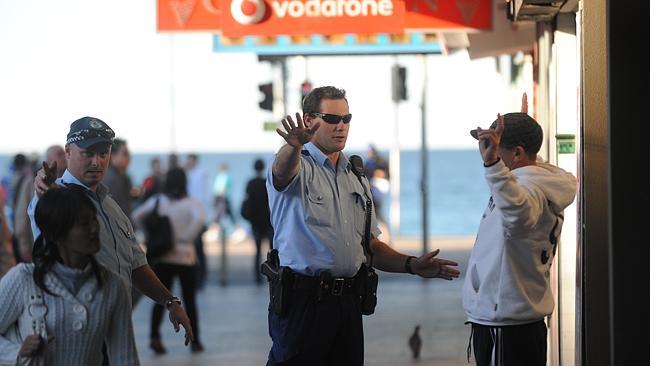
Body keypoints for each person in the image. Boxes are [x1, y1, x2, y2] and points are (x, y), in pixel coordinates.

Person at [265, 85, 460, 365]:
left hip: (348, 305)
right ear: (309, 121)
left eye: (346, 119)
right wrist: (293, 145)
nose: (341, 126)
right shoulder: (298, 166)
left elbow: (370, 247)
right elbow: (282, 172)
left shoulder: (355, 175)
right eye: (332, 119)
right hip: (303, 304)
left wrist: (411, 265)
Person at [28, 116, 194, 346]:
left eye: (103, 153)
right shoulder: (55, 198)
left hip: (115, 329)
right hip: (76, 335)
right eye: (87, 153)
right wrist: (43, 191)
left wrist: (170, 302)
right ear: (68, 151)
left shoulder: (109, 204)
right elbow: (43, 215)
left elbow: (135, 264)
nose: (97, 162)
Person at [464, 111, 577, 366]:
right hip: (509, 323)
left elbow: (519, 216)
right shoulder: (532, 182)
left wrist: (493, 167)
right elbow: (522, 182)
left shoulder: (528, 191)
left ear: (516, 153)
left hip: (508, 327)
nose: (487, 154)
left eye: (494, 148)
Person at [0, 186, 139, 365]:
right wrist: (17, 352)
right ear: (57, 235)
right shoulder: (24, 278)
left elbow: (125, 357)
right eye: (83, 224)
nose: (94, 229)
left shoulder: (112, 284)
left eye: (93, 220)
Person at [131, 168, 206, 354]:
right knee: (190, 300)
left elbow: (136, 216)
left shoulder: (158, 201)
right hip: (186, 256)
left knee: (161, 299)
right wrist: (185, 238)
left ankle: (154, 336)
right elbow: (200, 222)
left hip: (164, 257)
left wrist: (150, 235)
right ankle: (195, 339)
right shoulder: (192, 204)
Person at [13, 145, 66, 262]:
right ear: (48, 160)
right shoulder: (32, 181)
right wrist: (25, 247)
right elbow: (21, 216)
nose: (64, 157)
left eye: (64, 154)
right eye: (60, 154)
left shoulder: (65, 182)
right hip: (36, 247)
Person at [241, 158, 273, 284]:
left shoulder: (251, 183)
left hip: (255, 222)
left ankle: (257, 277)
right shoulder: (266, 182)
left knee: (257, 251)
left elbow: (247, 200)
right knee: (271, 251)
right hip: (267, 220)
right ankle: (272, 275)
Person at [103, 138, 138, 222]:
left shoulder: (122, 176)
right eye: (125, 153)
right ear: (112, 156)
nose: (129, 157)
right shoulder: (112, 179)